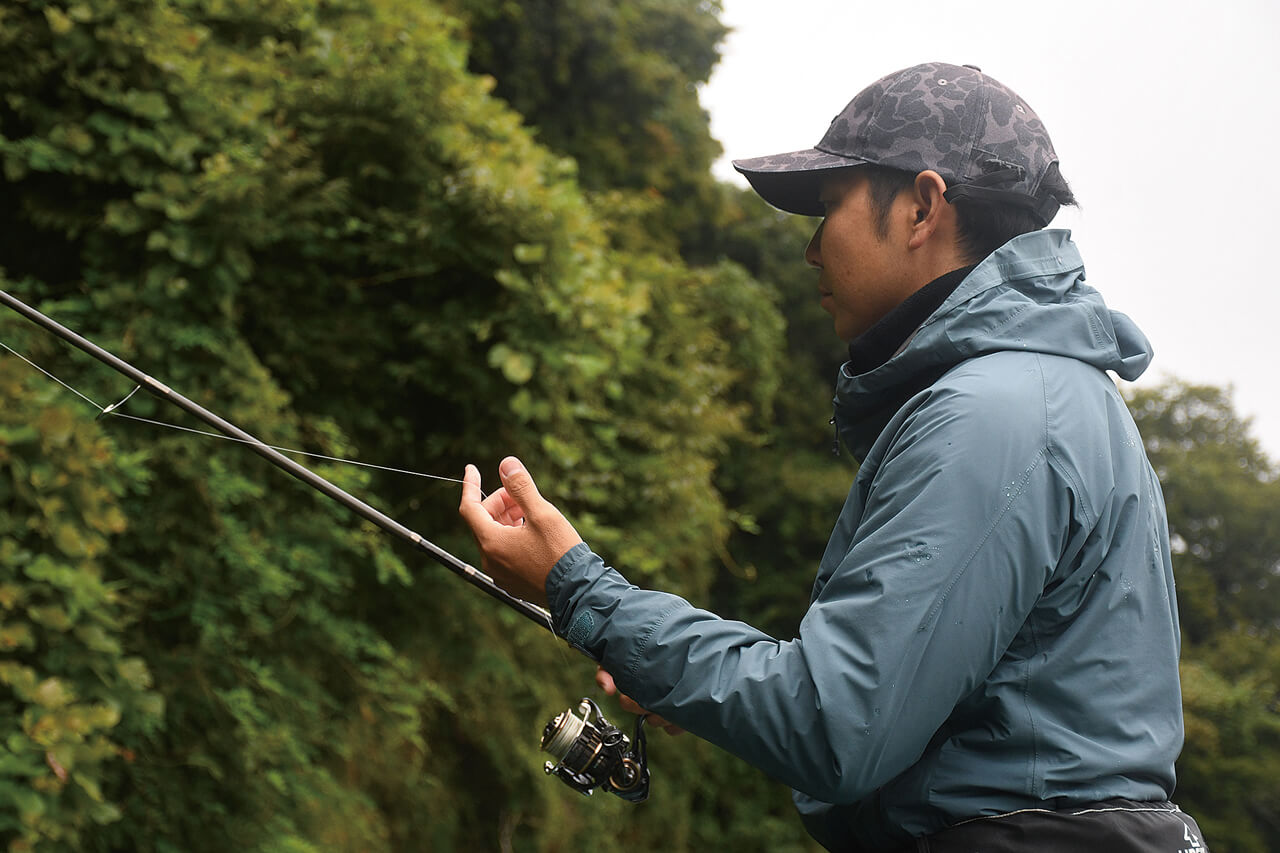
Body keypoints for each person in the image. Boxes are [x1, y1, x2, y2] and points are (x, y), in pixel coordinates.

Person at [459, 62, 1209, 852]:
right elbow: (885, 696)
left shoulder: (994, 415)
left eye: (829, 209)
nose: (814, 249)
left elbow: (834, 723)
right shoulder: (1051, 395)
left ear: (923, 205)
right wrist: (670, 674)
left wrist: (580, 589)